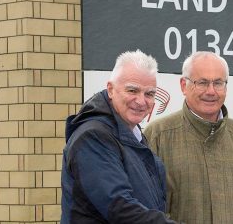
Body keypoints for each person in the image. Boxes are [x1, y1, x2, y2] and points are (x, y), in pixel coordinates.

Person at [143, 51, 233, 224]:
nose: (211, 91)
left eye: (218, 83)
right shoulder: (157, 136)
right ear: (183, 85)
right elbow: (146, 210)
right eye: (202, 82)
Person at [61, 50, 175, 223]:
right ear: (111, 90)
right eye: (132, 90)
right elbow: (119, 207)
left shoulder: (132, 135)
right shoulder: (93, 138)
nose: (141, 101)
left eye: (149, 94)